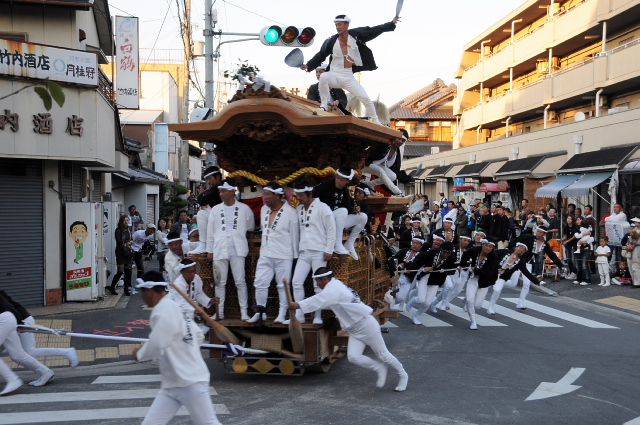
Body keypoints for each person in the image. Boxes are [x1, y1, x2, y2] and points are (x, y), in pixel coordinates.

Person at [289, 267, 409, 391]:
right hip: (355, 329)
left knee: (383, 354)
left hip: (366, 325)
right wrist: (302, 306)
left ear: (325, 279)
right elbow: (327, 302)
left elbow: (320, 299)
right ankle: (379, 367)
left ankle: (403, 374)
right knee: (353, 357)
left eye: (318, 281)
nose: (317, 284)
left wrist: (298, 305)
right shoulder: (335, 286)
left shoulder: (333, 289)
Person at [133, 272, 222, 425]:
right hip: (173, 382)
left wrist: (140, 353)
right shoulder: (174, 306)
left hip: (190, 381)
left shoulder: (163, 310)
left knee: (208, 423)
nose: (142, 297)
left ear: (150, 290)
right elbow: (198, 335)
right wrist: (184, 347)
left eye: (142, 292)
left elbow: (158, 342)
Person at [301, 15, 400, 124]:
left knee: (365, 98)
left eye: (340, 24)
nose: (337, 27)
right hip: (334, 76)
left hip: (348, 77)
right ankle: (323, 105)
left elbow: (373, 30)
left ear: (347, 25)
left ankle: (375, 120)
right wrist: (309, 65)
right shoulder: (332, 41)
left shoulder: (356, 35)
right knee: (324, 76)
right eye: (336, 25)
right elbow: (321, 54)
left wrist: (391, 24)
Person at [250, 182, 299, 324]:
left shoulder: (290, 212)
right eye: (265, 194)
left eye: (268, 194)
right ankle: (260, 313)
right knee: (260, 282)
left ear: (277, 195)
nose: (265, 197)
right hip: (265, 252)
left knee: (283, 285)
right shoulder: (264, 209)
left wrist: (295, 255)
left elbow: (294, 235)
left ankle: (282, 314)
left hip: (283, 254)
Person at [289, 180, 336, 324]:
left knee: (318, 285)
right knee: (296, 282)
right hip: (304, 251)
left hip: (319, 251)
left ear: (309, 194)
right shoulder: (298, 210)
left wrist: (329, 249)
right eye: (297, 195)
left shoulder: (323, 207)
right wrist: (296, 252)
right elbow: (295, 232)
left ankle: (317, 316)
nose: (298, 198)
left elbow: (331, 229)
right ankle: (300, 314)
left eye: (301, 195)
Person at [207, 179, 254, 320]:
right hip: (219, 248)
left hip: (237, 248)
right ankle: (219, 311)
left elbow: (250, 227)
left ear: (232, 191)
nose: (221, 194)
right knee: (220, 283)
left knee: (240, 281)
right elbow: (210, 232)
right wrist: (210, 250)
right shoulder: (215, 210)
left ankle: (244, 312)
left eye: (223, 191)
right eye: (220, 191)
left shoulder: (244, 209)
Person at [0, 290, 79, 367]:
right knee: (17, 352)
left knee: (30, 352)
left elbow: (10, 308)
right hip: (16, 321)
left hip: (22, 321)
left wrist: (20, 322)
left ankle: (66, 352)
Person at [0, 292, 55, 395]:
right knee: (17, 354)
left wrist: (20, 321)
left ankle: (12, 379)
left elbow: (6, 304)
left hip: (4, 320)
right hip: (6, 320)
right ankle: (45, 372)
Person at [313, 167, 367, 260]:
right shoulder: (325, 186)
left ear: (347, 181)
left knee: (363, 217)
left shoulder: (345, 191)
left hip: (337, 221)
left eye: (342, 180)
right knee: (342, 211)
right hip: (324, 220)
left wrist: (354, 210)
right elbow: (313, 201)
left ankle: (349, 244)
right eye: (337, 178)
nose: (338, 181)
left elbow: (346, 208)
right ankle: (337, 244)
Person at [486, 243, 542, 314]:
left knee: (497, 290)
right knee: (482, 288)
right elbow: (492, 254)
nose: (521, 250)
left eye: (524, 250)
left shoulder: (521, 261)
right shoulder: (505, 252)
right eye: (520, 247)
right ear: (516, 247)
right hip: (491, 273)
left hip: (502, 277)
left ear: (524, 252)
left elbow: (526, 272)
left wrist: (536, 282)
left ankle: (490, 308)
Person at [409, 241, 456, 324]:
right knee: (421, 299)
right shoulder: (432, 252)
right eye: (444, 252)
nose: (446, 254)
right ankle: (413, 300)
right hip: (425, 276)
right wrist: (410, 269)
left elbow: (446, 270)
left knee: (427, 303)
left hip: (436, 280)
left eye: (448, 253)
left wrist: (432, 268)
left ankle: (415, 316)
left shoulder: (451, 259)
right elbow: (419, 261)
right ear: (441, 250)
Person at [459, 237, 499, 330]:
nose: (487, 248)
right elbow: (465, 255)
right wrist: (462, 265)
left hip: (485, 281)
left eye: (490, 246)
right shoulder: (475, 250)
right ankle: (473, 321)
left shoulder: (493, 256)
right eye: (486, 245)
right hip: (473, 278)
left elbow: (489, 273)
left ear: (493, 248)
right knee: (470, 300)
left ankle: (467, 298)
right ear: (483, 244)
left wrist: (476, 269)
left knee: (477, 305)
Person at [429, 235, 472, 311]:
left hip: (459, 272)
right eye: (464, 240)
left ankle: (435, 303)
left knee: (456, 290)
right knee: (449, 286)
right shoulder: (453, 248)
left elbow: (466, 263)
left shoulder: (468, 251)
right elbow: (448, 258)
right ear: (460, 239)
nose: (466, 242)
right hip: (448, 270)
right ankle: (444, 303)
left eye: (468, 241)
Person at [362, 130, 408, 196]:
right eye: (399, 138)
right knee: (379, 170)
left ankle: (369, 184)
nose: (400, 141)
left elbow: (394, 167)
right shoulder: (384, 143)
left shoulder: (396, 152)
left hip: (377, 165)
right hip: (365, 163)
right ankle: (397, 192)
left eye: (403, 140)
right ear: (394, 137)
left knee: (393, 176)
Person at [191, 166, 223, 254]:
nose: (209, 182)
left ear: (218, 177)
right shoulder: (219, 186)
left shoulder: (217, 187)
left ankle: (203, 244)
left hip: (222, 216)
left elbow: (202, 202)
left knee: (201, 214)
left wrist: (201, 194)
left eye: (210, 179)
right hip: (220, 214)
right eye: (207, 179)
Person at [392, 237, 425, 311]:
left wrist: (405, 265)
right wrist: (397, 264)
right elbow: (394, 258)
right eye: (413, 242)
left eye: (417, 243)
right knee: (393, 294)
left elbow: (416, 265)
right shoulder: (404, 251)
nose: (414, 245)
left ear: (421, 246)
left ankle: (391, 304)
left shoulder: (422, 256)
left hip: (408, 279)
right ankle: (389, 309)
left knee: (400, 298)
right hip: (396, 276)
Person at [109, 215, 133, 296]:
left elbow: (131, 238)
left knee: (128, 270)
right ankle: (112, 287)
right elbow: (118, 241)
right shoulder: (118, 229)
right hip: (120, 251)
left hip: (127, 251)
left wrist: (131, 242)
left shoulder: (128, 229)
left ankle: (126, 289)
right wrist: (126, 242)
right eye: (125, 220)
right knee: (120, 271)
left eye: (127, 220)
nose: (126, 222)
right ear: (121, 221)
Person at [131, 223, 156, 292]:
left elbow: (144, 242)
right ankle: (128, 285)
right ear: (147, 228)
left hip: (139, 251)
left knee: (141, 268)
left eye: (153, 230)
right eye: (150, 229)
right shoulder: (138, 233)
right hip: (132, 250)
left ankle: (140, 284)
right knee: (129, 268)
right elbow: (131, 240)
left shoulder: (150, 236)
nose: (151, 231)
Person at [561, 215, 579, 280]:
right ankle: (571, 272)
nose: (568, 220)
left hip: (574, 244)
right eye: (568, 218)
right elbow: (566, 235)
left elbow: (574, 236)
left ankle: (575, 273)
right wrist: (562, 239)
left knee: (573, 259)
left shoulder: (575, 227)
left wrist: (567, 241)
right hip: (568, 245)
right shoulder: (566, 227)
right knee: (568, 259)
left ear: (573, 220)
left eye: (570, 219)